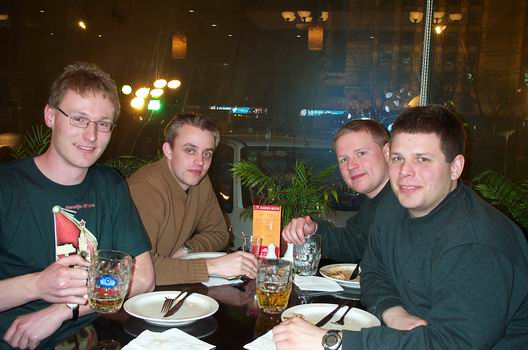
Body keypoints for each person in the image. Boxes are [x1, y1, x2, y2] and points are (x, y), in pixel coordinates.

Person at [273, 106, 528, 349]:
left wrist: (331, 342)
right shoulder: (393, 208)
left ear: (455, 167)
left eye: (422, 159)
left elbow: (453, 344)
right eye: (398, 158)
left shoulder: (476, 244)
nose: (405, 171)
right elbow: (373, 271)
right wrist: (393, 312)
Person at [0, 62, 155, 349]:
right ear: (50, 116)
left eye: (103, 124)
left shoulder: (110, 184)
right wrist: (36, 285)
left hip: (89, 335)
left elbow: (143, 278)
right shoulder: (6, 187)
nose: (91, 136)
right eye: (79, 119)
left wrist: (64, 311)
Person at [128, 114, 258, 285]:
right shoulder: (147, 188)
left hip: (168, 290)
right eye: (190, 150)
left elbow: (219, 233)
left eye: (207, 154)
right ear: (168, 150)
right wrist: (212, 267)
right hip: (124, 301)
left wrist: (187, 249)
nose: (200, 162)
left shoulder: (199, 181)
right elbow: (137, 270)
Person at [281, 119, 390, 263]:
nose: (351, 165)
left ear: (387, 152)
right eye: (344, 159)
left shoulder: (405, 202)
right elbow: (352, 244)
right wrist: (313, 230)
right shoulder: (374, 202)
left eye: (361, 153)